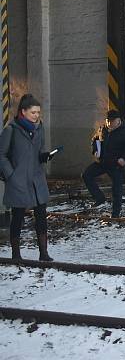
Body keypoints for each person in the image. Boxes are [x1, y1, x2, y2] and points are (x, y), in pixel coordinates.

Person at [0, 94, 56, 261]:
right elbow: (1, 155)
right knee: (17, 216)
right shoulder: (11, 130)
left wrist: (44, 156)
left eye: (38, 112)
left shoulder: (40, 128)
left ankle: (44, 253)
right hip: (18, 180)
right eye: (33, 112)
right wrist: (11, 174)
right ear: (23, 112)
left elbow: (39, 151)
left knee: (41, 215)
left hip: (36, 179)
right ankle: (16, 254)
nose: (37, 115)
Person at [82, 109, 125, 218]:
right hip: (102, 162)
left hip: (116, 164)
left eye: (112, 121)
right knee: (86, 175)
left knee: (117, 189)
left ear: (118, 120)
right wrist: (95, 150)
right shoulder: (103, 129)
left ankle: (115, 214)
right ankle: (99, 198)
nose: (109, 123)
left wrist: (124, 159)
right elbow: (94, 140)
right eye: (108, 121)